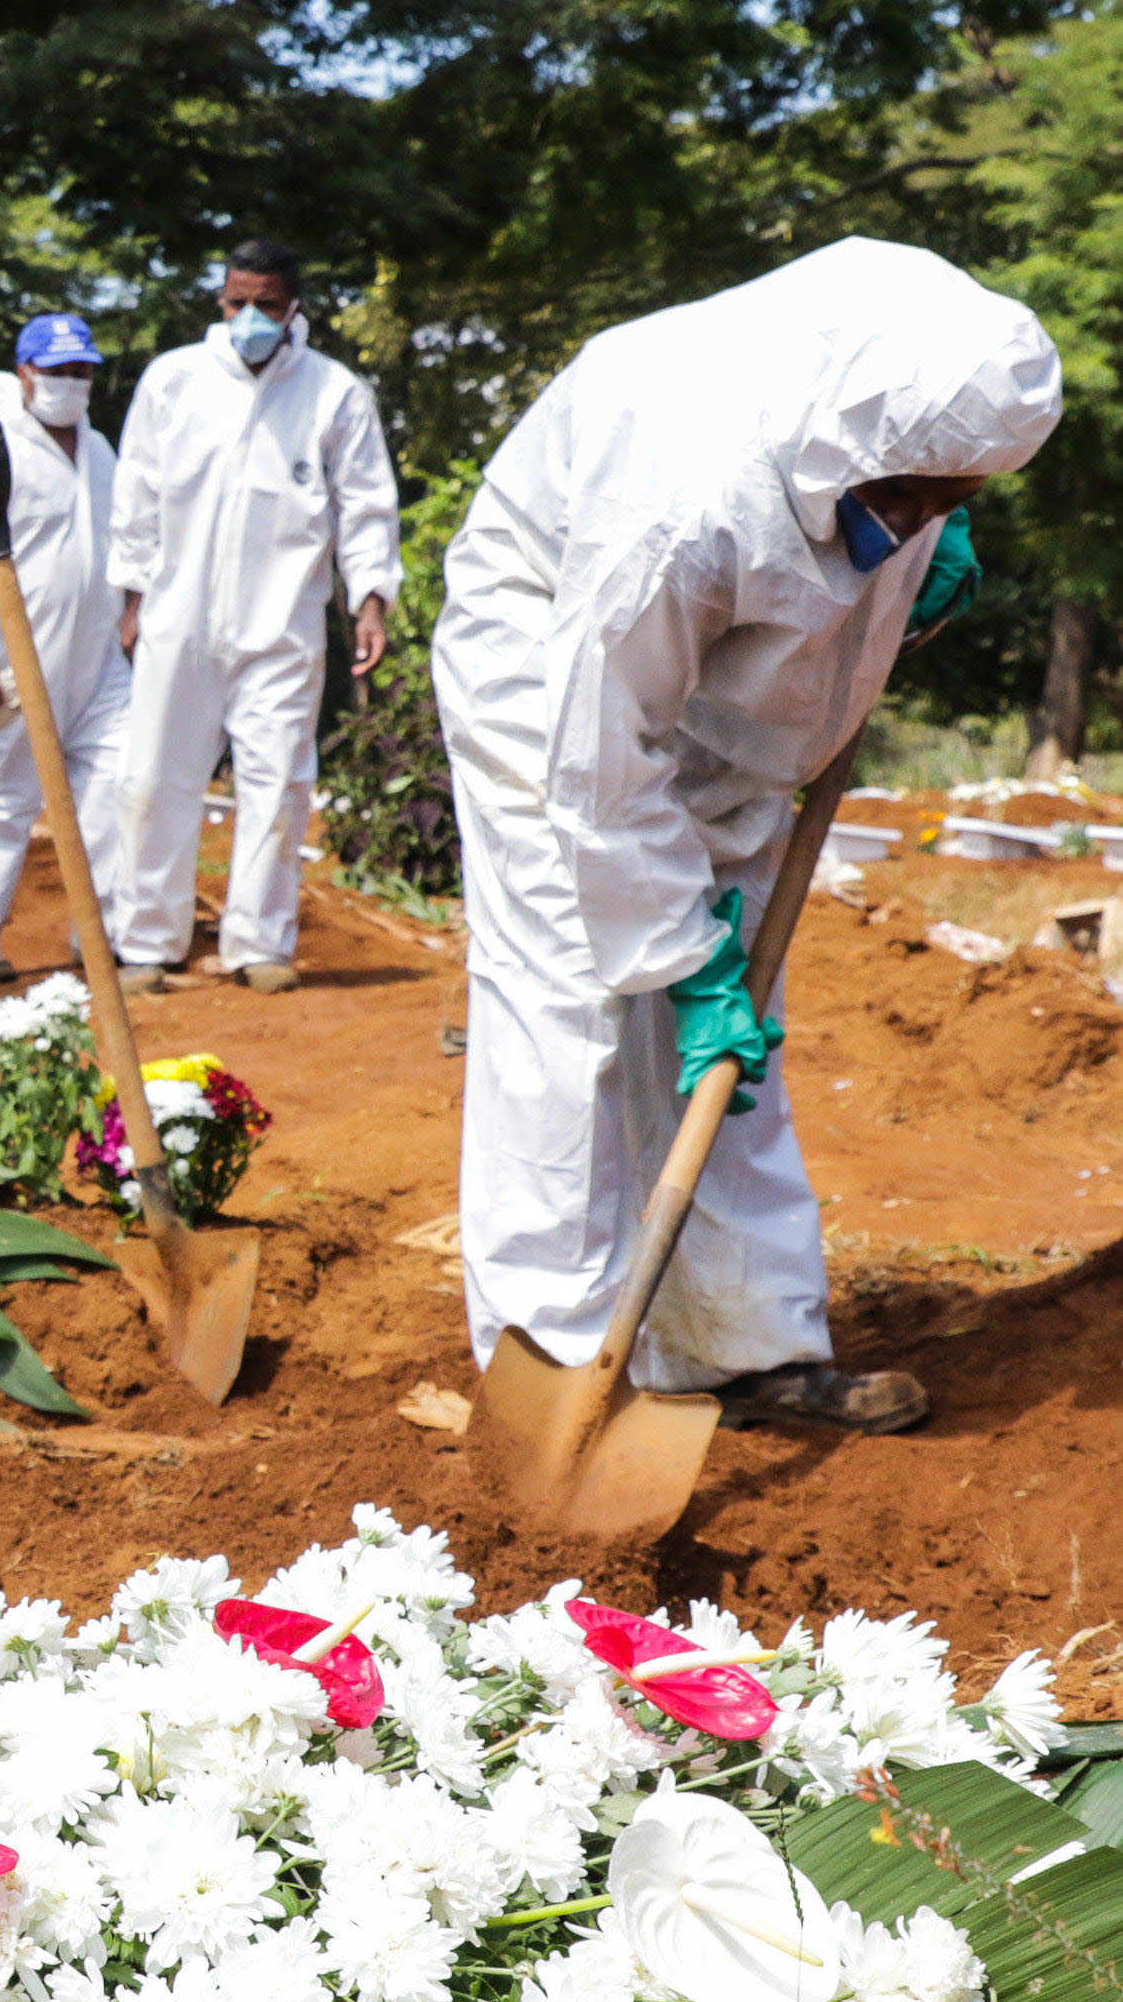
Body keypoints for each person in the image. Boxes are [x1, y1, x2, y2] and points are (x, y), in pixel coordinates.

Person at [434, 236, 1058, 1434]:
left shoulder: (908, 384)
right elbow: (604, 755)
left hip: (738, 699)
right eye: (915, 498)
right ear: (858, 443)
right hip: (554, 680)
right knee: (573, 1003)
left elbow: (875, 515)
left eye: (956, 500)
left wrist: (927, 535)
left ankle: (741, 1345)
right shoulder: (678, 487)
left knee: (739, 1016)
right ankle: (555, 1363)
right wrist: (678, 950)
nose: (924, 519)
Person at [106, 239, 402, 993]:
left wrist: (368, 598)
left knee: (276, 784)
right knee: (153, 777)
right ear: (219, 299)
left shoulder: (334, 393)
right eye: (236, 302)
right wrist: (133, 596)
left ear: (293, 305)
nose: (248, 319)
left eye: (265, 304)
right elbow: (135, 492)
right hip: (177, 616)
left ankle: (258, 944)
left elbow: (366, 505)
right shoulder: (173, 380)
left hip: (282, 622)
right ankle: (146, 940)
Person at [0, 313, 129, 992]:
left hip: (100, 666)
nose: (70, 384)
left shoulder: (99, 450)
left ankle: (99, 940)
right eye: (55, 372)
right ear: (23, 375)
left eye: (81, 372)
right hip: (13, 663)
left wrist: (133, 607)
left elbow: (124, 539)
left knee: (120, 789)